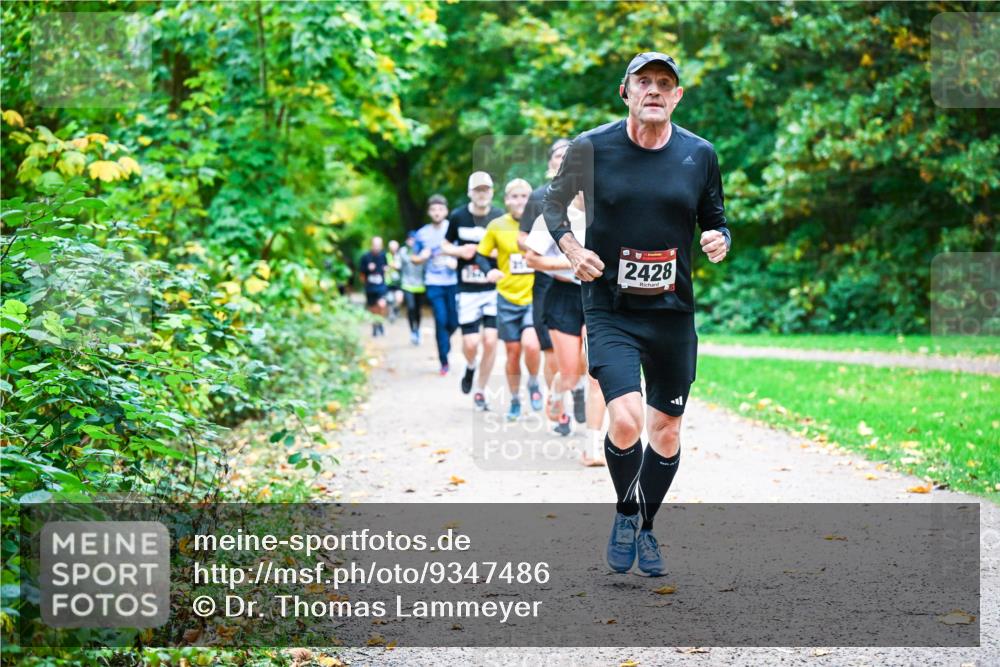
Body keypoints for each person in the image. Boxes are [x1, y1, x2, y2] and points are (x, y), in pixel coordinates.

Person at [542, 52, 731, 576]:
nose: (654, 90)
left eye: (664, 83)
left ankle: (642, 525)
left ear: (677, 96)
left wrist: (720, 238)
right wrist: (573, 251)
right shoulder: (591, 148)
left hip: (672, 311)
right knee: (624, 419)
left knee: (666, 429)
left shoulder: (700, 154)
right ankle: (626, 510)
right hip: (610, 307)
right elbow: (551, 205)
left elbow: (715, 218)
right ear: (625, 92)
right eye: (643, 82)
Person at [525, 191, 598, 460]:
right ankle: (559, 393)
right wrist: (571, 261)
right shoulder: (554, 216)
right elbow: (531, 259)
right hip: (563, 294)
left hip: (597, 295)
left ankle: (593, 441)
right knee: (567, 372)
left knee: (592, 365)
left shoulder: (608, 210)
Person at [518, 139, 580, 420]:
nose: (565, 158)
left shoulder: (593, 198)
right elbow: (525, 242)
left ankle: (576, 387)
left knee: (587, 358)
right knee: (551, 352)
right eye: (559, 154)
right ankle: (559, 400)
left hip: (589, 287)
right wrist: (561, 254)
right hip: (548, 282)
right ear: (550, 164)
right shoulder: (540, 198)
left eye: (571, 154)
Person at [475, 178, 542, 421]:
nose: (519, 201)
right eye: (514, 196)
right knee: (512, 352)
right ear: (506, 200)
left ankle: (534, 382)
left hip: (534, 295)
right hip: (506, 297)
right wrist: (488, 271)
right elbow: (481, 255)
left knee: (532, 345)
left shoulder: (540, 223)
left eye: (524, 196)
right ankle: (515, 399)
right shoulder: (496, 225)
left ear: (531, 199)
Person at [442, 172, 505, 410]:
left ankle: (480, 390)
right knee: (470, 343)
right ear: (470, 193)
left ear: (491, 192)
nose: (481, 194)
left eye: (485, 190)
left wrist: (492, 254)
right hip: (467, 289)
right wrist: (460, 252)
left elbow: (510, 248)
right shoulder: (458, 216)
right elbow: (445, 245)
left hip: (492, 288)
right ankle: (470, 367)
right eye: (477, 190)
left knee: (490, 341)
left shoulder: (499, 217)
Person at [413, 195, 459, 374]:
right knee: (440, 319)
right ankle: (444, 360)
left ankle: (445, 340)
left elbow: (465, 251)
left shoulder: (453, 228)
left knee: (454, 321)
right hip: (433, 282)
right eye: (433, 209)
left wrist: (455, 261)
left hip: (453, 281)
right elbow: (413, 257)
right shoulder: (422, 233)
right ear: (429, 212)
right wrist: (421, 257)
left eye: (440, 209)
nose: (437, 212)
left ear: (446, 211)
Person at [398, 231, 426, 345]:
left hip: (420, 285)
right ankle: (412, 331)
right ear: (407, 240)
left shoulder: (422, 251)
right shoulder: (403, 251)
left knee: (418, 310)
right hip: (407, 284)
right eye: (410, 239)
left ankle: (417, 329)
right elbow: (411, 260)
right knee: (411, 308)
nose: (412, 241)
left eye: (414, 239)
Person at [358, 236, 389, 338]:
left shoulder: (384, 256)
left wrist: (387, 269)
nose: (377, 247)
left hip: (381, 286)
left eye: (379, 245)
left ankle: (380, 323)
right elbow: (361, 274)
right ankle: (376, 326)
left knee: (382, 304)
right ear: (372, 245)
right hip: (370, 287)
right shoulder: (365, 257)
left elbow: (388, 268)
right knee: (373, 309)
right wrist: (365, 283)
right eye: (375, 245)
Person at [385, 239, 404, 323]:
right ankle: (391, 314)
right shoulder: (386, 256)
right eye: (392, 247)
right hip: (388, 281)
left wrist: (392, 266)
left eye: (395, 247)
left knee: (399, 299)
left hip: (398, 281)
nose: (394, 249)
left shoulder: (400, 256)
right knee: (389, 299)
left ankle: (396, 309)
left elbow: (401, 267)